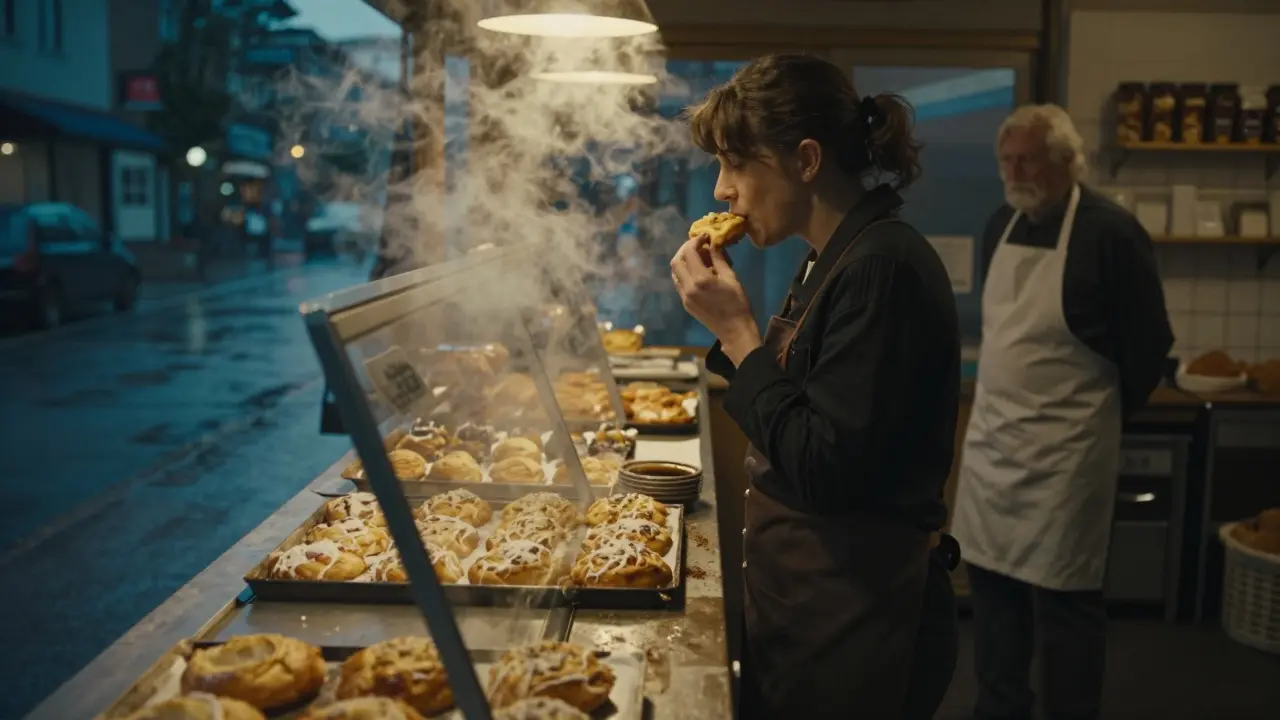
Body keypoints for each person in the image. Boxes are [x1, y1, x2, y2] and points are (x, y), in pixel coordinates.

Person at [670, 53, 961, 719]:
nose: (720, 191)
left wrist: (739, 332)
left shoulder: (882, 268)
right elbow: (798, 415)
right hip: (809, 610)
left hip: (859, 619)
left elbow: (826, 466)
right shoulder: (827, 259)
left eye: (735, 164)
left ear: (805, 160)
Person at [950, 104, 1174, 720]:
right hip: (995, 445)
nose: (1015, 171)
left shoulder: (1111, 233)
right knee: (993, 602)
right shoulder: (1002, 223)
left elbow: (1148, 347)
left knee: (1066, 610)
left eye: (1029, 159)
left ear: (1067, 162)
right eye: (1008, 159)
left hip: (1068, 455)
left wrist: (1098, 417)